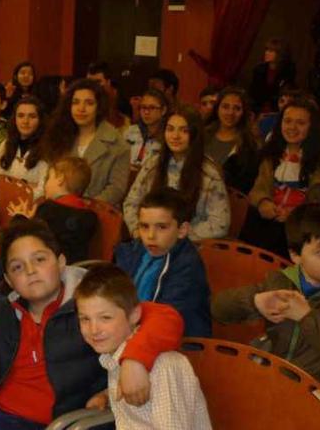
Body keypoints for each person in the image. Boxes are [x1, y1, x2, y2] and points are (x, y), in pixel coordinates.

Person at [0, 219, 185, 430]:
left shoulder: (92, 300)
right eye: (18, 267)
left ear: (61, 262)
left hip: (52, 423)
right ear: (8, 279)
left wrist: (135, 359)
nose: (30, 270)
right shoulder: (1, 312)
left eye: (40, 259)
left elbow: (164, 317)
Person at [213, 203, 320, 386]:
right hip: (274, 376)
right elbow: (217, 309)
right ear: (295, 255)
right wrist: (254, 301)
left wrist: (306, 316)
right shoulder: (281, 282)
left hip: (319, 389)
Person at [0, 156, 99, 338]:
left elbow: (24, 241)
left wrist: (21, 219)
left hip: (34, 272)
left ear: (60, 179)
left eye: (48, 178)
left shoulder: (48, 208)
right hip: (64, 275)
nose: (46, 184)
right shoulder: (90, 217)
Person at [76, 265, 212, 430]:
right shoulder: (115, 356)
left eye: (105, 318)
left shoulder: (162, 367)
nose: (94, 329)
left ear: (134, 315)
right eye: (85, 319)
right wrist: (106, 396)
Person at [241, 96, 320, 257]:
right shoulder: (272, 153)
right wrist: (264, 202)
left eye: (300, 123)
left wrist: (297, 214)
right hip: (269, 221)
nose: (292, 127)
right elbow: (259, 188)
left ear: (312, 127)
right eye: (287, 121)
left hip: (307, 230)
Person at [114, 187, 212, 337]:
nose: (150, 235)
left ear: (182, 230)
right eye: (144, 226)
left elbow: (164, 320)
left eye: (161, 227)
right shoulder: (133, 251)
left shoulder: (187, 267)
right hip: (133, 329)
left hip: (178, 344)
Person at [124, 105, 230, 241]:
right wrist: (138, 231)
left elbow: (220, 224)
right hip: (148, 240)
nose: (175, 136)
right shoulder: (153, 163)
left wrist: (174, 236)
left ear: (194, 134)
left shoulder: (209, 173)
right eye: (170, 129)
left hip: (188, 245)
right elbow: (131, 202)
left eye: (184, 131)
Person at [42, 78, 130, 205]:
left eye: (89, 103)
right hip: (59, 209)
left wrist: (84, 206)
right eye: (76, 102)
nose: (81, 109)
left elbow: (116, 189)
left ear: (99, 106)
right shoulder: (60, 136)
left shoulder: (117, 144)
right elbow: (49, 178)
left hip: (98, 213)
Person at [203, 86, 260, 193]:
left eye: (237, 108)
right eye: (225, 107)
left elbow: (246, 186)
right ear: (217, 108)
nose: (230, 113)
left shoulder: (249, 146)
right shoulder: (202, 135)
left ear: (244, 112)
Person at [0, 96, 49, 199]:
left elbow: (43, 189)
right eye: (21, 116)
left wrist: (12, 184)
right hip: (2, 202)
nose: (25, 121)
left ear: (40, 120)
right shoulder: (5, 144)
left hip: (31, 207)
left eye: (32, 116)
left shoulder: (47, 149)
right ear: (15, 119)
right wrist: (26, 185)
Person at [124, 88, 169, 172]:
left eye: (152, 108)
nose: (146, 112)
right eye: (143, 107)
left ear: (163, 110)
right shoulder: (130, 131)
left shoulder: (168, 136)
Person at [249, 37, 296, 113]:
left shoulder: (288, 71)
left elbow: (286, 92)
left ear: (279, 54)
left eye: (271, 51)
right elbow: (253, 92)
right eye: (266, 50)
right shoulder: (259, 69)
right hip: (258, 108)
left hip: (277, 108)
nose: (266, 53)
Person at [87, 61, 130, 130]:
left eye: (98, 82)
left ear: (108, 82)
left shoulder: (120, 98)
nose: (93, 86)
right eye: (89, 82)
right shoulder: (86, 96)